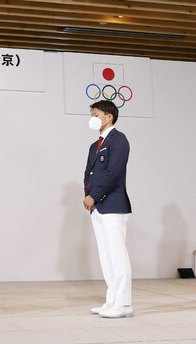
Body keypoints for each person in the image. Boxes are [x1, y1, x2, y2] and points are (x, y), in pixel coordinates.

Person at [83, 100, 133, 318]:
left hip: (113, 204)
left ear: (108, 116)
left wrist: (94, 195)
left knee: (117, 255)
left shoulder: (118, 140)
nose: (93, 118)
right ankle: (112, 299)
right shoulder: (95, 144)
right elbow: (89, 173)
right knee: (106, 255)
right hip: (98, 207)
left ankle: (123, 304)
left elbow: (113, 172)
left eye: (96, 114)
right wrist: (88, 196)